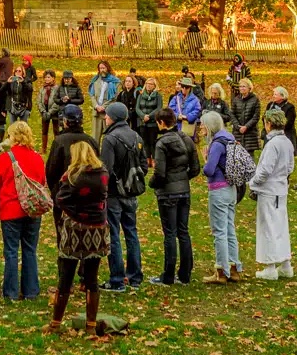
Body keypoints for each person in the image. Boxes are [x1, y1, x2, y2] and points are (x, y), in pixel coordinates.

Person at [48, 141, 108, 335]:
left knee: (66, 277)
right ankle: (91, 325)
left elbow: (61, 198)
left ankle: (56, 322)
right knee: (92, 279)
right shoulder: (102, 174)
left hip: (74, 230)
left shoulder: (72, 176)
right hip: (97, 229)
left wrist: (75, 214)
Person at [0, 121, 46, 301]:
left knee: (11, 251)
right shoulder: (37, 158)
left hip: (11, 209)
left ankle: (11, 291)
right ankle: (31, 290)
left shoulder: (6, 158)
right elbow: (41, 181)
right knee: (30, 250)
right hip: (32, 209)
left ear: (13, 137)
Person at [147, 109, 199, 285]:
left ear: (161, 123)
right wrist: (182, 180)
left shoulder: (162, 143)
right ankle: (185, 274)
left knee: (170, 233)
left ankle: (168, 275)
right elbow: (195, 168)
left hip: (168, 192)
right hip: (183, 190)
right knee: (183, 232)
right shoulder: (186, 139)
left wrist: (152, 183)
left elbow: (159, 173)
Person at [98, 103, 143, 292]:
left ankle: (117, 279)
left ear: (114, 117)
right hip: (131, 191)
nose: (105, 118)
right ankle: (135, 277)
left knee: (114, 235)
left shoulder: (110, 139)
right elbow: (144, 164)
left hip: (115, 193)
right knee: (131, 233)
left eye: (107, 116)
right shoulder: (136, 136)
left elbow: (105, 168)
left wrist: (103, 191)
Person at [250, 109, 296, 280]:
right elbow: (290, 167)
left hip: (269, 191)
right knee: (281, 227)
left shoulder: (273, 144)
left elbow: (265, 170)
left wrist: (253, 183)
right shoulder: (287, 142)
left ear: (268, 124)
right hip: (281, 189)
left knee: (268, 227)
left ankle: (270, 267)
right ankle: (285, 264)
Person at [200, 112, 241, 283]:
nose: (200, 128)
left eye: (202, 125)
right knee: (230, 228)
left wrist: (205, 159)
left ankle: (221, 271)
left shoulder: (216, 144)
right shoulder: (230, 138)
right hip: (231, 188)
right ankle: (234, 267)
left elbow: (209, 170)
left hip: (218, 189)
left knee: (219, 231)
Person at [231, 78, 262, 161]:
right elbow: (232, 114)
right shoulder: (236, 99)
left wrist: (246, 127)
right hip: (238, 132)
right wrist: (238, 127)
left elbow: (256, 117)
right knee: (237, 156)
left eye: (244, 86)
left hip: (250, 133)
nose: (241, 88)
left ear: (249, 88)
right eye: (240, 86)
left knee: (249, 157)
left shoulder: (255, 100)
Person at [87, 61, 120, 139]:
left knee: (109, 136)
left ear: (108, 68)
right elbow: (92, 95)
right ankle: (95, 151)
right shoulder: (95, 80)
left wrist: (103, 107)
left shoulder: (115, 81)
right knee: (95, 137)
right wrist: (96, 106)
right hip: (96, 112)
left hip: (108, 113)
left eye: (103, 68)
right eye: (100, 68)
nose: (102, 70)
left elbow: (115, 97)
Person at [134, 78, 162, 159]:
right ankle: (146, 159)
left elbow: (159, 108)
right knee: (144, 142)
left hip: (153, 123)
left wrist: (149, 116)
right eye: (147, 83)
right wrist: (143, 116)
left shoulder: (158, 96)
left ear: (154, 86)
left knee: (152, 142)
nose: (148, 85)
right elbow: (137, 108)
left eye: (151, 84)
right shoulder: (141, 95)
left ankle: (154, 159)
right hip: (142, 122)